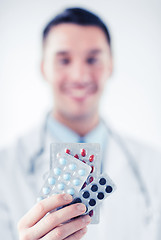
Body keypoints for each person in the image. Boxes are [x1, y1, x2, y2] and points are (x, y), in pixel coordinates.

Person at [0, 7, 161, 240]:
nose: (79, 76)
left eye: (93, 59)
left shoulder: (153, 166)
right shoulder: (5, 168)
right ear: (44, 68)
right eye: (64, 60)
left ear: (111, 65)